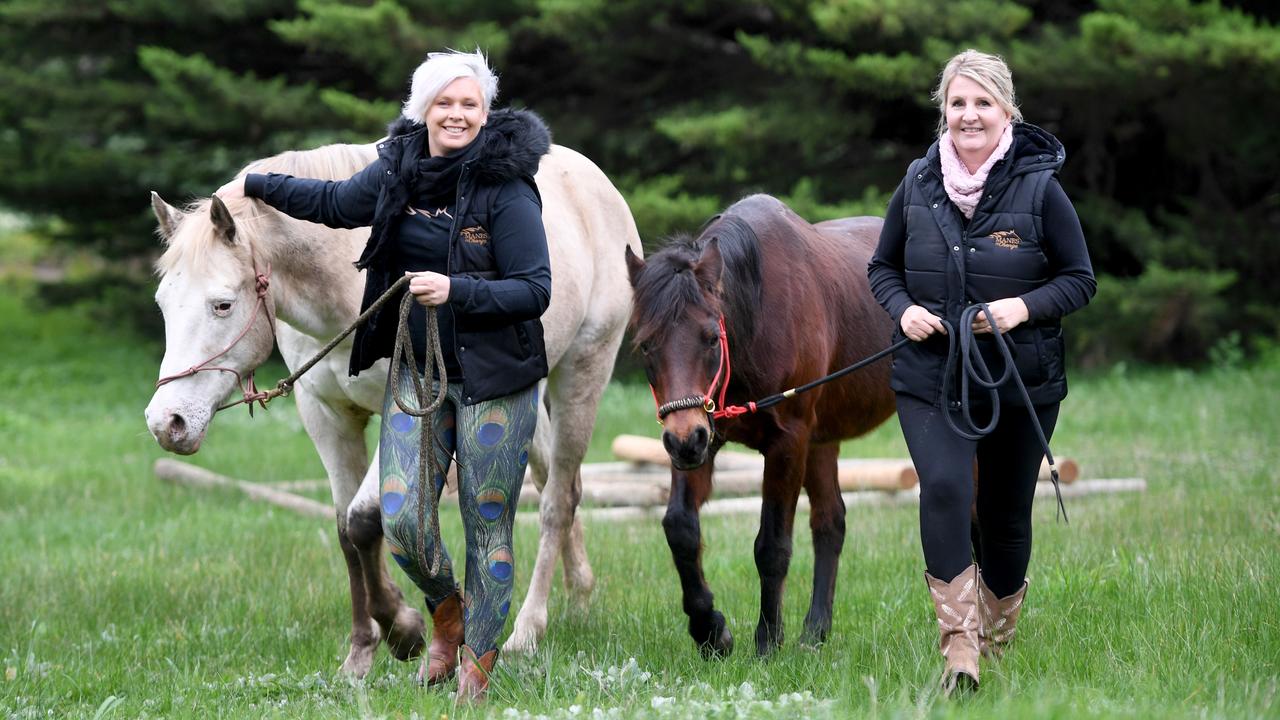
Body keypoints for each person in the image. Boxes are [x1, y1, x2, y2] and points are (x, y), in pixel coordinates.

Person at [219, 49, 552, 701]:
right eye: (444, 102)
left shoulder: (506, 187)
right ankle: (447, 611)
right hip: (418, 372)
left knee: (488, 523)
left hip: (498, 377)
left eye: (469, 104)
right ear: (422, 109)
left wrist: (456, 289)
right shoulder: (398, 170)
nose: (456, 114)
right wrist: (257, 183)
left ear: (485, 114)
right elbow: (335, 203)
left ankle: (477, 666)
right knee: (399, 520)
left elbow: (534, 289)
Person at [867, 49, 1095, 694]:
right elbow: (881, 268)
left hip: (1021, 379)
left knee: (1003, 513)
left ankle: (996, 641)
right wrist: (904, 309)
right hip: (930, 374)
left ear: (1007, 112)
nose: (969, 116)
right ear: (944, 112)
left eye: (982, 103)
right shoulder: (917, 182)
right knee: (942, 488)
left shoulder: (1040, 187)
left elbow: (1080, 280)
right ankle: (960, 648)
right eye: (957, 104)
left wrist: (1021, 307)